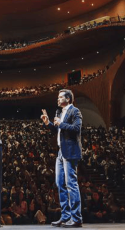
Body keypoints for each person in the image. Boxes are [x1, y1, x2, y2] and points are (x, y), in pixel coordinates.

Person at [41, 89, 83, 227]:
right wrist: (48, 123)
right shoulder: (59, 113)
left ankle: (76, 218)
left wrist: (61, 123)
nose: (58, 99)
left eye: (60, 97)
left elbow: (76, 128)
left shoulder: (75, 111)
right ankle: (65, 217)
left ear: (68, 99)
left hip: (70, 151)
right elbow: (58, 130)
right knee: (60, 184)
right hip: (61, 152)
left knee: (71, 184)